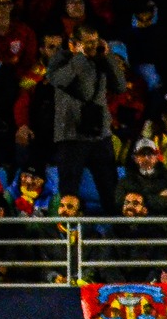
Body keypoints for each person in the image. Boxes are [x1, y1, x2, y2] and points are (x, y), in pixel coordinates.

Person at [46, 24, 123, 209]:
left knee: (110, 189)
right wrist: (79, 58)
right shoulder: (61, 59)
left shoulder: (101, 59)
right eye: (87, 43)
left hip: (99, 133)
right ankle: (67, 234)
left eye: (95, 42)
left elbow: (120, 86)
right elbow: (63, 82)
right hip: (71, 134)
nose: (92, 47)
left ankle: (115, 232)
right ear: (73, 44)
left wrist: (109, 58)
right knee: (69, 192)